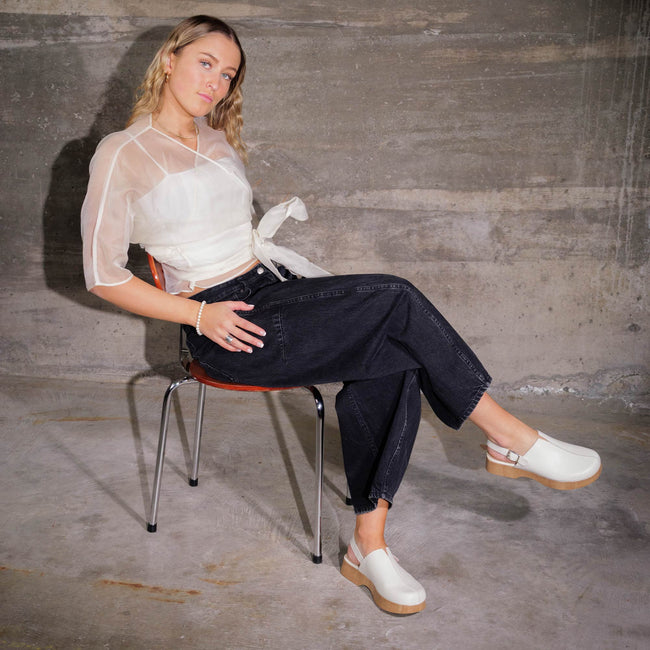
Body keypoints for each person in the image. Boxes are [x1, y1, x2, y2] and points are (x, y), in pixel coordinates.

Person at [81, 15, 602, 615]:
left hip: (270, 290)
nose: (216, 83)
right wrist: (197, 318)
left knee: (396, 353)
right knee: (395, 302)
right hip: (220, 323)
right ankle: (509, 438)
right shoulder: (122, 153)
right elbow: (102, 274)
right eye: (206, 64)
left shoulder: (217, 139)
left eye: (228, 74)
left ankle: (368, 547)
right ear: (170, 59)